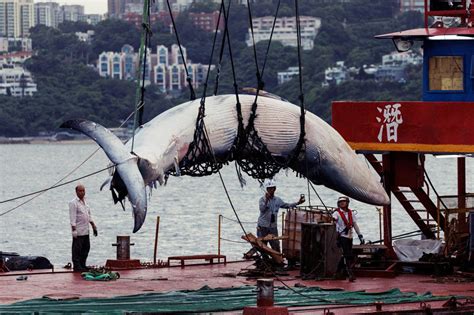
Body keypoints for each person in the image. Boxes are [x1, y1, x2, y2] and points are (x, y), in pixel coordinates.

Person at [258, 179, 305, 252]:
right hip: (263, 226)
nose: (271, 190)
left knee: (276, 245)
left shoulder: (277, 200)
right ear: (267, 189)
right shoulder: (262, 199)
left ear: (275, 189)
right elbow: (262, 209)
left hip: (273, 227)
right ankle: (265, 260)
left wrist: (298, 203)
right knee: (262, 246)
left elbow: (287, 205)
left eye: (272, 188)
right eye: (269, 189)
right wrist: (267, 200)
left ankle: (277, 260)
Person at [332, 196, 364, 281]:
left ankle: (337, 273)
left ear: (347, 203)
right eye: (340, 202)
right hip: (342, 236)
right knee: (347, 255)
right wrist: (333, 220)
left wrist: (359, 235)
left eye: (344, 201)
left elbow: (354, 224)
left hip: (350, 236)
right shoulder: (336, 213)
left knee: (347, 255)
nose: (342, 203)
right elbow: (334, 221)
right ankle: (350, 274)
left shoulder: (351, 213)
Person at [69, 184, 98, 272]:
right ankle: (77, 266)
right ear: (76, 192)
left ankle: (83, 264)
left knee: (86, 248)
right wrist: (74, 230)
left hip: (86, 230)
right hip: (79, 230)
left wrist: (93, 226)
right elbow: (72, 217)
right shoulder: (73, 203)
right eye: (80, 191)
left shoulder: (85, 202)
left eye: (83, 191)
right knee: (77, 249)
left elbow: (88, 215)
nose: (82, 193)